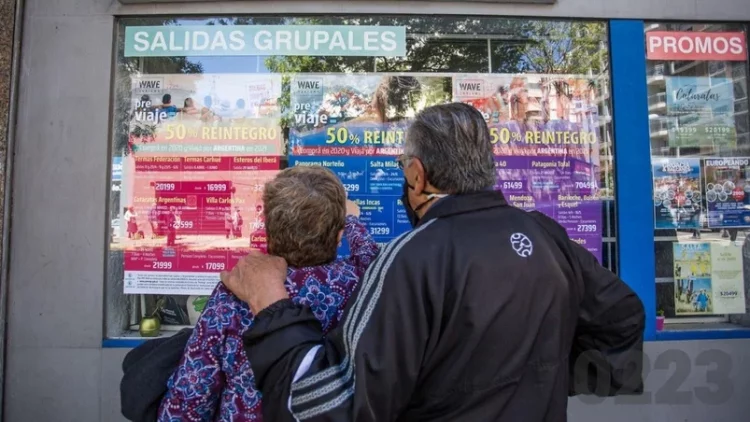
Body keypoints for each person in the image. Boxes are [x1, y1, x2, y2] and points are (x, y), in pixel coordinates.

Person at [221, 103, 645, 421]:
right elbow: (623, 317)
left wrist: (271, 303)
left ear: (417, 175)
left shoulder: (413, 258)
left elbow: (329, 403)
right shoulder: (545, 235)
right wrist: (539, 380)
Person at [158, 166, 380, 421]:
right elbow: (370, 254)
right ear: (339, 236)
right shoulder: (357, 281)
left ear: (268, 229)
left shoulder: (237, 290)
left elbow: (192, 395)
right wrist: (351, 220)